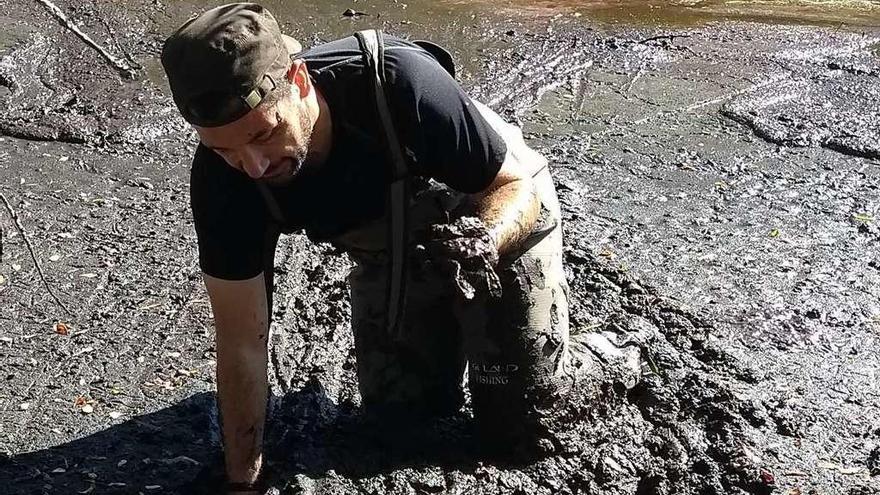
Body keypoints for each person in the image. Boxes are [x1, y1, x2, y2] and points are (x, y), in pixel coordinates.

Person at [161, 3, 583, 493]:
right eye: (226, 150)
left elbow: (514, 188)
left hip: (498, 215)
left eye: (264, 134)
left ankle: (601, 357)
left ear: (298, 80)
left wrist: (484, 239)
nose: (253, 166)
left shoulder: (397, 81)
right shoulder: (222, 181)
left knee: (518, 427)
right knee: (399, 418)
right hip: (391, 244)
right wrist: (243, 481)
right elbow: (240, 339)